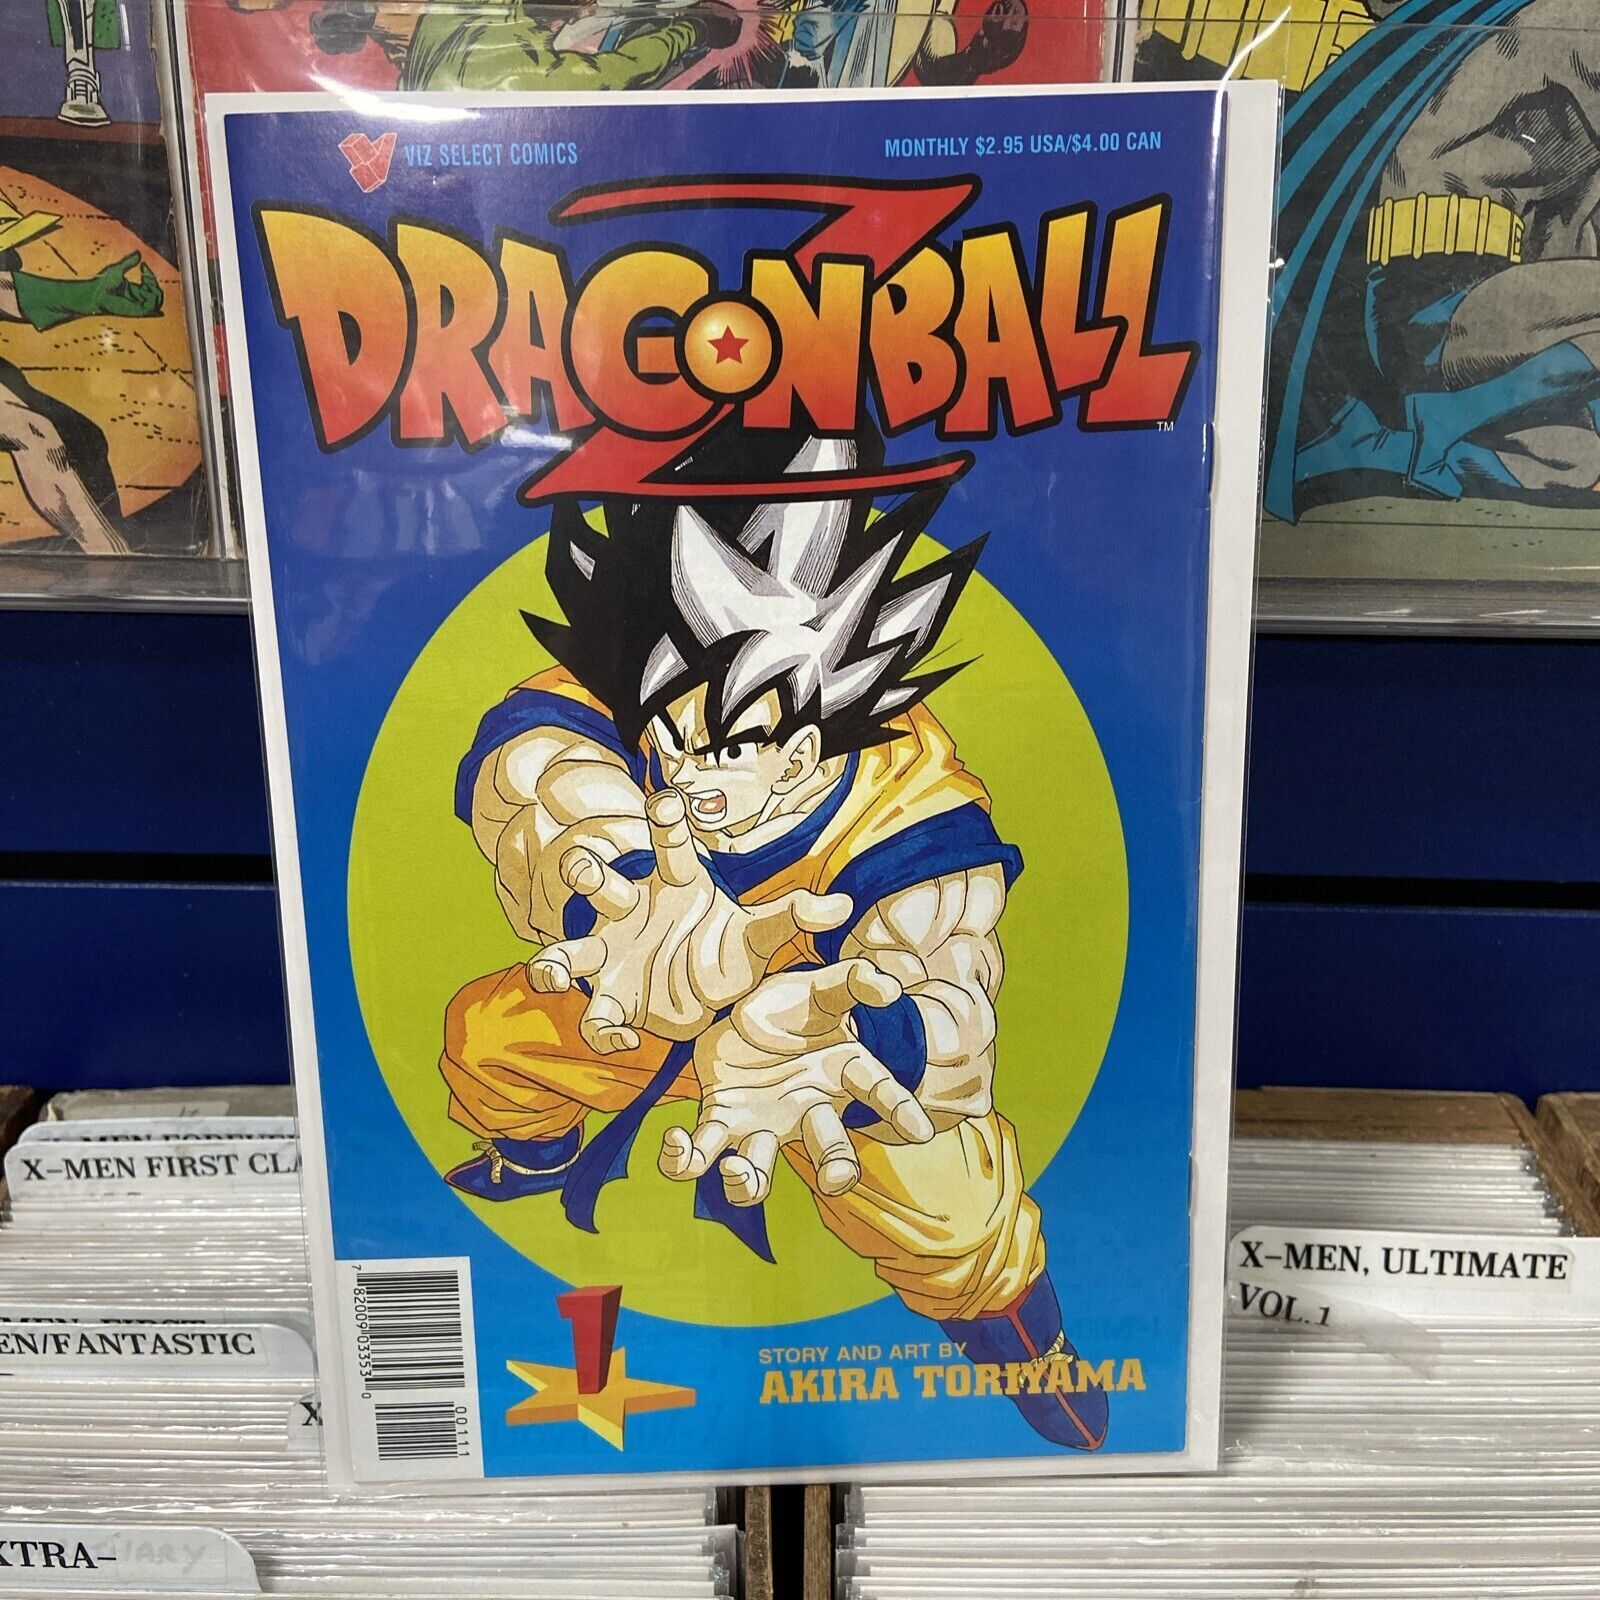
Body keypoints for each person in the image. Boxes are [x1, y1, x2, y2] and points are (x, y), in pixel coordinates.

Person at [439, 422, 1109, 1450]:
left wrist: (849, 1039)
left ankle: (1023, 1340)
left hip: (818, 1065)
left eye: (725, 744)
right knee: (490, 1038)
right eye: (668, 732)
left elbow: (955, 1013)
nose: (682, 768)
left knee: (954, 1214)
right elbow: (537, 765)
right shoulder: (636, 685)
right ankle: (538, 1154)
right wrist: (625, 898)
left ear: (803, 746)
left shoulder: (917, 820)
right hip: (646, 1002)